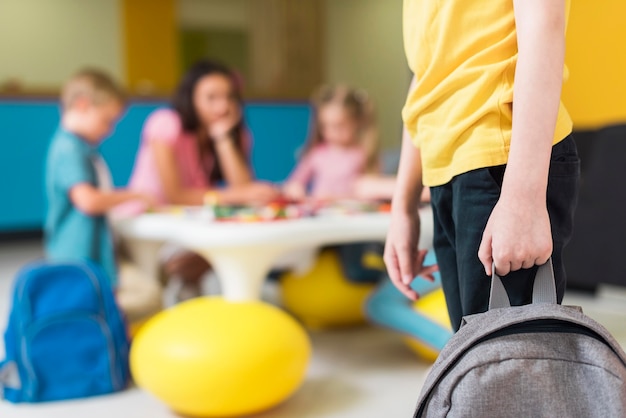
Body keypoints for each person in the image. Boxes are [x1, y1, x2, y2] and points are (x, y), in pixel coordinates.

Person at [385, 0, 580, 331]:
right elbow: (426, 76)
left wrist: (522, 196)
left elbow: (543, 25)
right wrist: (402, 208)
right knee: (477, 361)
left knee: (513, 364)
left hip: (503, 158)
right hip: (445, 168)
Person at [123, 60, 279, 299]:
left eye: (229, 97)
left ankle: (197, 286)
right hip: (151, 216)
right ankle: (176, 278)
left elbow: (244, 190)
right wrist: (235, 196)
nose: (223, 105)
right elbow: (174, 196)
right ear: (191, 98)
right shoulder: (166, 123)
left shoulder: (235, 134)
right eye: (211, 97)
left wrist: (223, 139)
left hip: (191, 217)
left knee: (242, 234)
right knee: (218, 245)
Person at [44, 69, 162, 322]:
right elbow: (88, 201)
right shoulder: (68, 148)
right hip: (79, 254)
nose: (109, 130)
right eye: (107, 121)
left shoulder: (83, 147)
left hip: (94, 250)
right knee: (142, 297)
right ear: (82, 105)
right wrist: (134, 195)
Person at [283, 84, 379, 201]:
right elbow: (294, 182)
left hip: (351, 214)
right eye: (325, 126)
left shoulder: (364, 154)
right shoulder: (317, 154)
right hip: (320, 214)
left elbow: (371, 190)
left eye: (339, 126)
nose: (331, 132)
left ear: (357, 122)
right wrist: (295, 188)